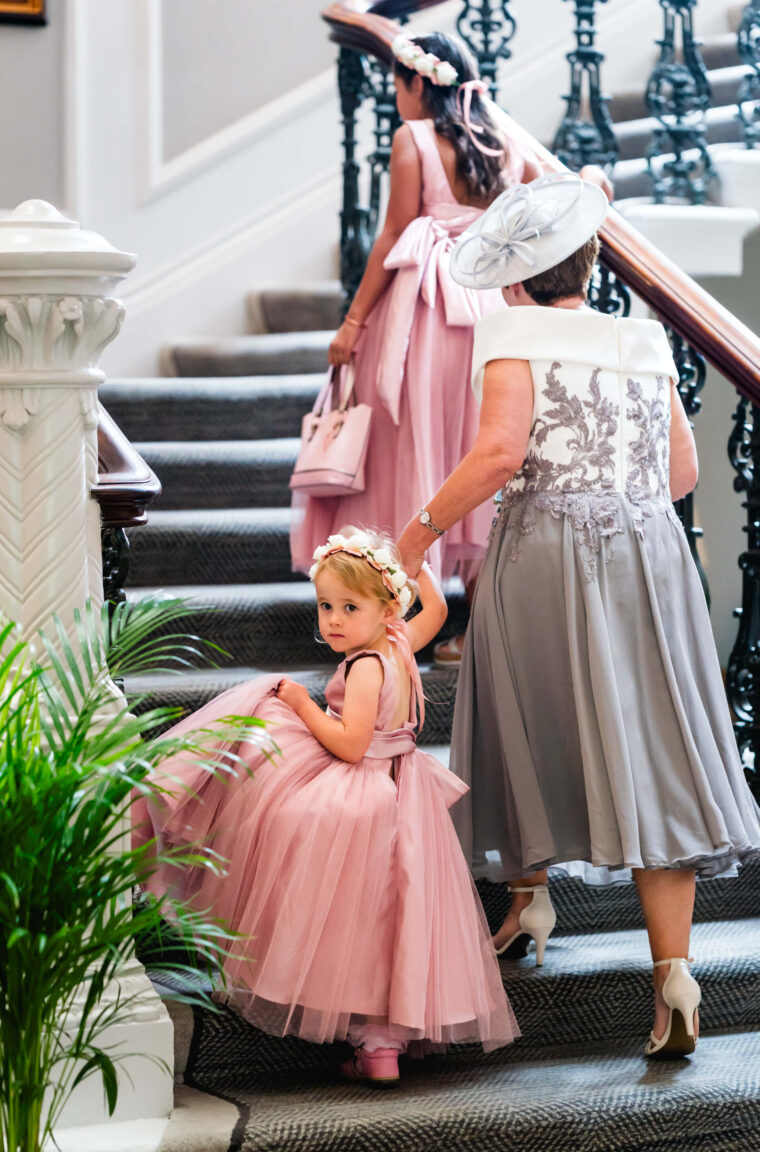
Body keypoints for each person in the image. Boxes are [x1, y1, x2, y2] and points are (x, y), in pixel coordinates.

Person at [396, 173, 760, 1060]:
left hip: (550, 547)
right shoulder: (644, 338)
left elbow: (498, 453)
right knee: (651, 744)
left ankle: (528, 899)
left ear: (516, 278)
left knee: (527, 718)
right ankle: (673, 971)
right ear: (591, 267)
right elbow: (680, 474)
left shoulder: (510, 328)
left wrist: (416, 534)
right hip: (651, 554)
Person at [135, 527, 519, 1084]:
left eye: (348, 606)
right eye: (325, 605)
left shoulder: (367, 663)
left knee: (355, 918)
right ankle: (384, 1044)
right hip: (405, 794)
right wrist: (414, 563)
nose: (333, 619)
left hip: (364, 789)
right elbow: (434, 608)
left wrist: (301, 703)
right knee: (396, 916)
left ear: (386, 606)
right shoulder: (396, 643)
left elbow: (350, 743)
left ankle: (370, 1039)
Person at [291, 31, 611, 665]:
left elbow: (388, 240)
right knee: (473, 452)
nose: (395, 97)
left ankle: (400, 619)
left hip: (423, 313)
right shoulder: (508, 143)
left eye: (399, 85)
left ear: (419, 84)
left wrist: (352, 326)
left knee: (416, 451)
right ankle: (482, 625)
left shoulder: (412, 141)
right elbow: (572, 195)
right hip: (489, 308)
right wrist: (597, 179)